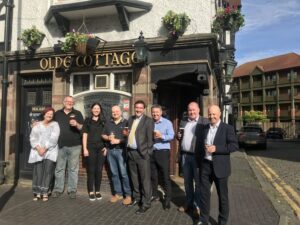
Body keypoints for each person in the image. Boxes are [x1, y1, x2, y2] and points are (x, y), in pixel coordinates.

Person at [195, 105, 239, 225]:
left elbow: (234, 146)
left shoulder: (227, 128)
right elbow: (199, 146)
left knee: (222, 197)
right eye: (209, 114)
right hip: (206, 166)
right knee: (204, 195)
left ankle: (222, 222)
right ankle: (203, 220)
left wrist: (216, 148)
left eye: (214, 114)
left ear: (219, 114)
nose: (211, 116)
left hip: (220, 168)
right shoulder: (204, 128)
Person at [177, 102, 209, 217]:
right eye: (190, 110)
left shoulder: (204, 121)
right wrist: (178, 136)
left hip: (197, 157)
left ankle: (197, 205)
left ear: (199, 110)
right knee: (187, 182)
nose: (191, 112)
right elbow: (180, 136)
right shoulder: (184, 121)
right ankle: (189, 202)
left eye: (194, 110)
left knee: (198, 183)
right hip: (185, 156)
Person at [52, 96, 84, 199]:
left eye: (71, 102)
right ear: (63, 102)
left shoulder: (78, 113)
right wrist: (36, 123)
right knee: (59, 169)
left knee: (73, 169)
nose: (69, 103)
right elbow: (47, 121)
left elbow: (83, 128)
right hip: (60, 145)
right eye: (67, 101)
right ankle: (58, 189)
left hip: (75, 145)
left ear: (73, 103)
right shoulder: (57, 114)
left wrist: (77, 124)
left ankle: (72, 190)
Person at [126, 100, 154, 214]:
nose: (138, 109)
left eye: (140, 108)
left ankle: (146, 203)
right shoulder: (131, 119)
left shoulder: (148, 121)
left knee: (145, 180)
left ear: (144, 109)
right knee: (134, 178)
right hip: (131, 152)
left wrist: (147, 153)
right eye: (136, 107)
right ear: (134, 108)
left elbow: (151, 139)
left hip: (142, 154)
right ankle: (137, 198)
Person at [102, 105, 132, 205]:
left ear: (121, 112)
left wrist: (118, 141)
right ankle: (118, 193)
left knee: (124, 173)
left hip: (121, 151)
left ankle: (128, 195)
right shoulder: (108, 123)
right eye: (113, 111)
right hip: (110, 151)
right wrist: (108, 138)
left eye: (117, 111)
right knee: (114, 174)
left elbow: (129, 138)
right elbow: (103, 134)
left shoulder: (126, 122)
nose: (115, 113)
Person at [29, 107, 60, 201]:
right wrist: (38, 148)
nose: (50, 115)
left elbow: (54, 138)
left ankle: (45, 192)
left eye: (51, 114)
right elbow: (32, 137)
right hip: (37, 151)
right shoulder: (37, 125)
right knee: (38, 172)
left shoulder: (55, 124)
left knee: (48, 172)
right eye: (48, 113)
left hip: (50, 151)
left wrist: (45, 148)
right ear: (44, 114)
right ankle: (37, 192)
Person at [150, 104, 174, 210]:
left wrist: (162, 136)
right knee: (153, 176)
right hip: (151, 152)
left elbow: (171, 136)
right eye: (153, 112)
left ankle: (167, 200)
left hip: (163, 152)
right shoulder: (150, 123)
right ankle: (154, 195)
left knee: (165, 177)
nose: (155, 114)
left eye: (157, 112)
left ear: (161, 112)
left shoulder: (167, 122)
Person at [82, 102, 106, 201]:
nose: (96, 110)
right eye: (94, 108)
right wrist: (84, 149)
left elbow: (107, 134)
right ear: (91, 110)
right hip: (90, 147)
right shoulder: (87, 121)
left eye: (98, 108)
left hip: (101, 148)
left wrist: (106, 147)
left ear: (100, 110)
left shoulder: (104, 121)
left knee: (99, 170)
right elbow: (84, 135)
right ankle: (91, 191)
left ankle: (98, 191)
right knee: (91, 170)